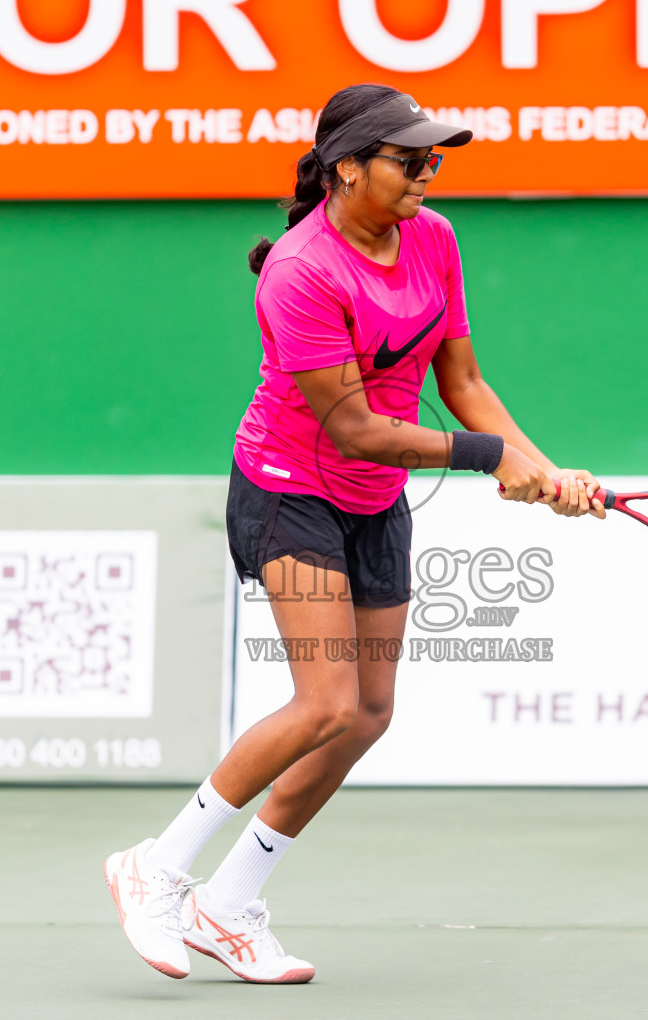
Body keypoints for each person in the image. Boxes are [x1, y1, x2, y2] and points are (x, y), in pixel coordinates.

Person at [104, 83, 604, 985]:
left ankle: (227, 905)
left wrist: (545, 466)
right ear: (346, 170)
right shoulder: (301, 271)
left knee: (369, 713)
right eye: (408, 161)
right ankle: (159, 867)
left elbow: (465, 381)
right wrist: (493, 458)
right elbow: (358, 427)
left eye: (432, 161)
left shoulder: (436, 238)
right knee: (326, 701)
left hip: (374, 500)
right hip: (287, 490)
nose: (425, 175)